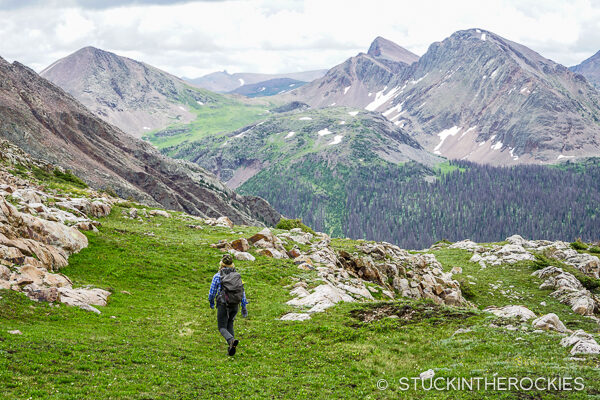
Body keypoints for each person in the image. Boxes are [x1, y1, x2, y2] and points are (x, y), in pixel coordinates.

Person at [208, 254, 248, 356]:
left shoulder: (218, 276)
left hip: (223, 304)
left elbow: (212, 292)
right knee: (230, 323)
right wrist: (244, 306)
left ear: (221, 264)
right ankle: (231, 349)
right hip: (235, 304)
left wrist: (211, 302)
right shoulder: (237, 275)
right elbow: (242, 291)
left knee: (222, 327)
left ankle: (231, 341)